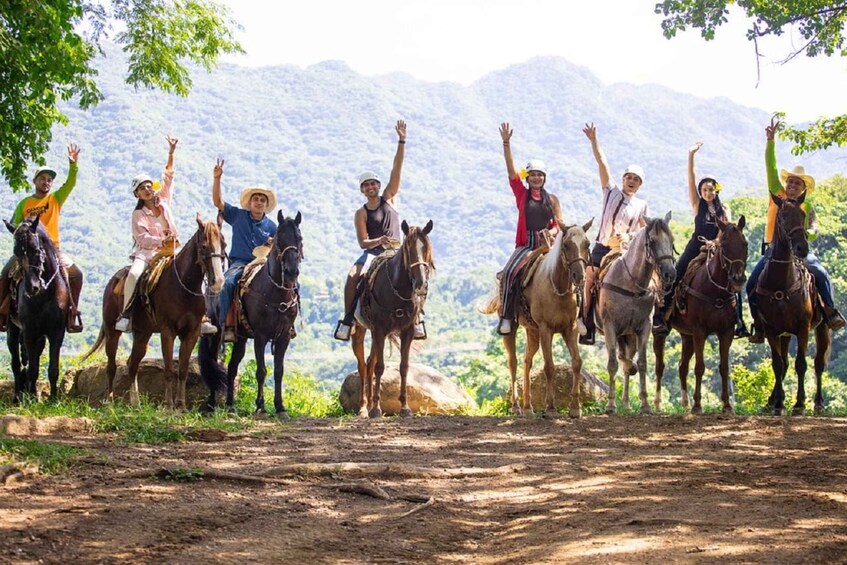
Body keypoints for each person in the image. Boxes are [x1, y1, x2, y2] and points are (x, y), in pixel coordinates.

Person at [746, 118, 846, 343]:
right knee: (752, 283)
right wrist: (771, 142)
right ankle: (759, 325)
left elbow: (814, 227)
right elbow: (771, 168)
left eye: (796, 184)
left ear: (803, 189)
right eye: (790, 182)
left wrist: (807, 234)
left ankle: (830, 311)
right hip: (774, 249)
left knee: (820, 272)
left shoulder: (806, 206)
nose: (791, 186)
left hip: (800, 249)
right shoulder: (777, 195)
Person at [114, 137, 217, 335]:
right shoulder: (138, 214)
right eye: (141, 188)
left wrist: (171, 153)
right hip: (148, 254)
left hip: (173, 251)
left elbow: (169, 176)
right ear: (137, 195)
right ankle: (126, 314)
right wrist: (162, 240)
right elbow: (142, 239)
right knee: (134, 274)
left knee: (196, 271)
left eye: (148, 186)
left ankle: (202, 316)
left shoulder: (164, 201)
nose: (146, 189)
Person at [334, 120, 425, 341]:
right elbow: (362, 242)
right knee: (352, 276)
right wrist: (378, 240)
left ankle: (419, 318)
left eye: (373, 183)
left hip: (395, 252)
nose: (371, 188)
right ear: (362, 190)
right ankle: (347, 320)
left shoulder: (390, 198)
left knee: (417, 273)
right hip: (373, 253)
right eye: (366, 185)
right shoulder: (361, 213)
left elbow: (397, 169)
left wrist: (401, 141)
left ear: (378, 185)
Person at [652, 142, 750, 338]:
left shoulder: (725, 209)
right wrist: (691, 156)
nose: (707, 193)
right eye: (704, 190)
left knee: (734, 278)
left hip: (717, 247)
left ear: (716, 191)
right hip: (695, 245)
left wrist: (715, 241)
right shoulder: (698, 204)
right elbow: (691, 180)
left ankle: (739, 321)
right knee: (675, 274)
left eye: (711, 190)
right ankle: (661, 314)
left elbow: (728, 231)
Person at [0, 143, 84, 332]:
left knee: (77, 274)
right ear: (35, 181)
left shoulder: (55, 199)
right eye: (43, 178)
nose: (46, 182)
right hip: (29, 251)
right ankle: (3, 313)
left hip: (53, 250)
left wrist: (73, 165)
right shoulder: (25, 203)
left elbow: (70, 184)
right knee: (5, 273)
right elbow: (14, 226)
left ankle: (71, 313)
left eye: (49, 180)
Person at [579, 122, 649, 345]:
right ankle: (586, 322)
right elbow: (602, 162)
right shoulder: (610, 191)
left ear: (640, 185)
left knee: (652, 280)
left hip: (626, 252)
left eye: (636, 179)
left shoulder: (641, 205)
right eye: (629, 177)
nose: (632, 181)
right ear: (623, 178)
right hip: (603, 246)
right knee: (589, 277)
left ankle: (653, 319)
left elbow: (643, 230)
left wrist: (629, 238)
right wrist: (593, 140)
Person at [493, 122, 564, 335]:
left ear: (544, 178)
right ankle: (506, 315)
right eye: (533, 174)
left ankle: (580, 317)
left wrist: (550, 233)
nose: (536, 178)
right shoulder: (521, 194)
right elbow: (511, 171)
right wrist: (506, 143)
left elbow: (559, 224)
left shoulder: (552, 199)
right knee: (508, 273)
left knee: (573, 268)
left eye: (540, 175)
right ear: (528, 177)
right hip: (527, 244)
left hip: (548, 243)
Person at [212, 158, 278, 343]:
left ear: (266, 205)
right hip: (240, 263)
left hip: (262, 264)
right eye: (255, 199)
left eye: (262, 200)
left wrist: (271, 246)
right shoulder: (237, 215)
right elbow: (218, 202)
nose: (258, 202)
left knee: (288, 284)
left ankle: (286, 326)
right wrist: (217, 178)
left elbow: (275, 251)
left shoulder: (272, 226)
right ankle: (225, 324)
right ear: (249, 203)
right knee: (228, 283)